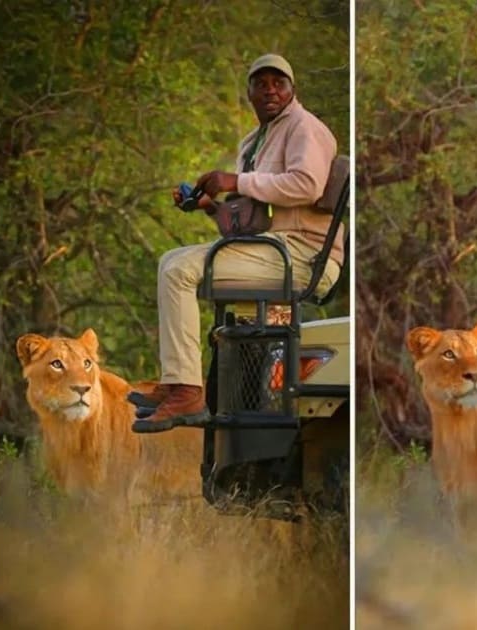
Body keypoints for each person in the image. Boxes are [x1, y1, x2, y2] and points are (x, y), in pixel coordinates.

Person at [133, 53, 342, 433]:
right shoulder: (254, 142)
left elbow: (306, 184)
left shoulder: (303, 127)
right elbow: (242, 224)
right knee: (170, 261)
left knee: (180, 269)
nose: (270, 90)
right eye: (260, 84)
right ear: (249, 93)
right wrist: (210, 206)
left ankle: (187, 392)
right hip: (271, 250)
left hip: (303, 254)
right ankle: (179, 382)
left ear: (293, 89)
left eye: (278, 82)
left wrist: (234, 182)